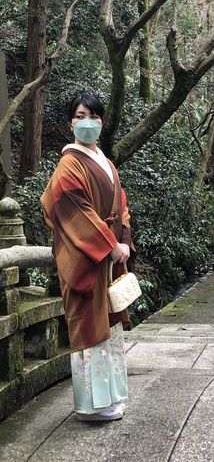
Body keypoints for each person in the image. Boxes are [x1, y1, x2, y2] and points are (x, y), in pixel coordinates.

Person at [40, 93, 135, 422]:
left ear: (101, 122)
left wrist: (122, 241)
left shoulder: (107, 163)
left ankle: (113, 395)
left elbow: (121, 206)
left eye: (94, 116)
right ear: (71, 123)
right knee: (89, 330)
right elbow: (74, 211)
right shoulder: (69, 165)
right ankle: (91, 407)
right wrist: (110, 245)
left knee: (109, 331)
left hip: (108, 259)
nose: (88, 122)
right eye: (81, 115)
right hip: (85, 260)